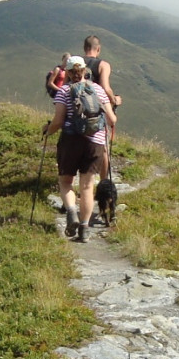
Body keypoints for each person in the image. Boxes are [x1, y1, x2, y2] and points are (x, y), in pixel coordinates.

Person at [42, 55, 117, 243]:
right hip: (95, 142)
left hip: (70, 141)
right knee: (87, 186)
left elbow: (58, 121)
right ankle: (84, 229)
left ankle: (71, 213)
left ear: (67, 72)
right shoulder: (98, 90)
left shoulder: (64, 91)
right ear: (85, 71)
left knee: (66, 182)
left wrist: (47, 131)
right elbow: (112, 120)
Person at [82, 35, 121, 177]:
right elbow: (105, 87)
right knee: (102, 147)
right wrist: (114, 100)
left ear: (84, 48)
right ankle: (104, 183)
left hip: (75, 109)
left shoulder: (75, 63)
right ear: (98, 49)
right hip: (96, 111)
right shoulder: (103, 65)